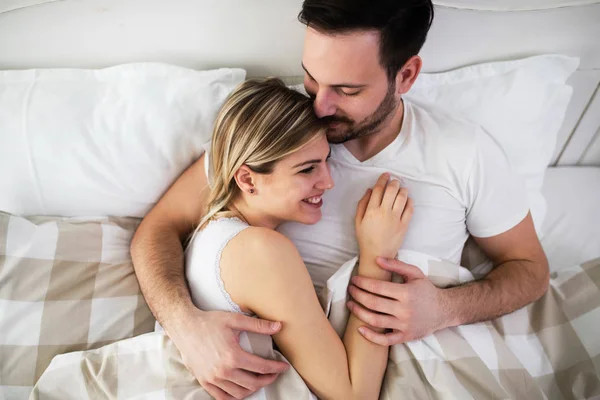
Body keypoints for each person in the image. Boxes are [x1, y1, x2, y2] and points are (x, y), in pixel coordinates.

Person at [131, 0, 550, 399]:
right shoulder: (277, 132)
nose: (320, 104)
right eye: (311, 77)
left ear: (405, 75)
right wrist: (185, 327)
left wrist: (445, 308)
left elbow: (530, 270)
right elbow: (158, 229)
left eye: (347, 90)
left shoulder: (465, 152)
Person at [174, 77, 412, 399]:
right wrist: (376, 256)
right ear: (247, 179)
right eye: (306, 170)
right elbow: (355, 395)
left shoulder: (210, 233)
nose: (327, 182)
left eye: (326, 161)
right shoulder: (259, 251)